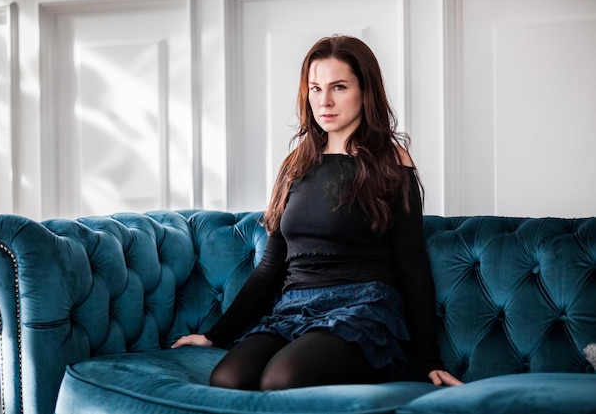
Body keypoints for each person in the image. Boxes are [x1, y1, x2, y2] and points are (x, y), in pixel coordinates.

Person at [172, 35, 462, 390]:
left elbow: (412, 265)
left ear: (365, 90)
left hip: (363, 307)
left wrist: (430, 361)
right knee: (228, 378)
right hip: (295, 308)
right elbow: (270, 266)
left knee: (283, 378)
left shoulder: (391, 161)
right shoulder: (296, 164)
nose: (324, 101)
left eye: (338, 87)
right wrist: (215, 336)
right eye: (315, 88)